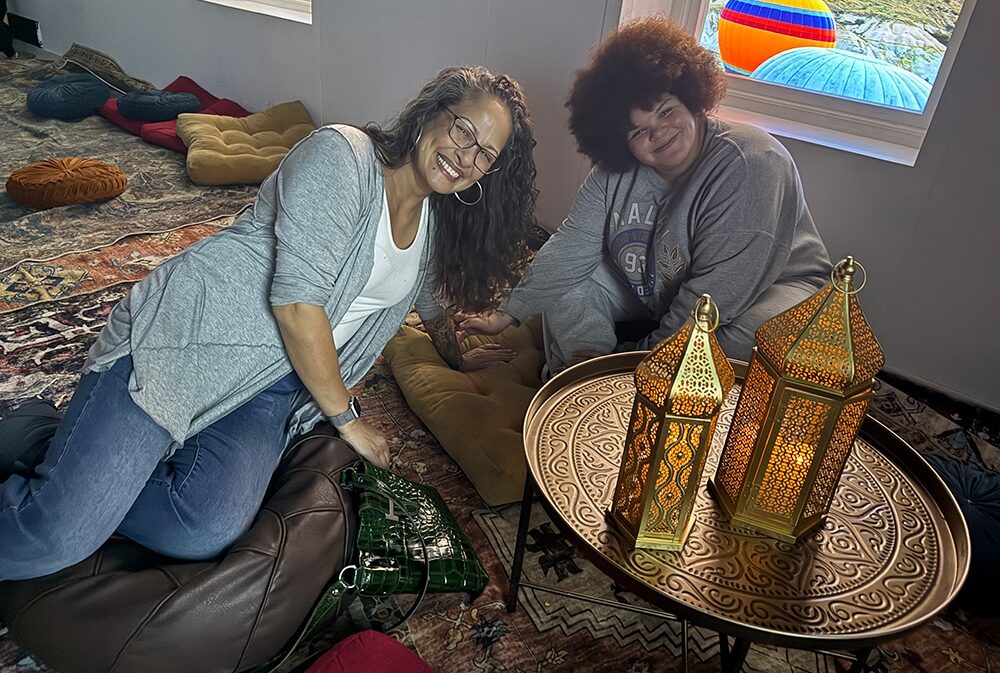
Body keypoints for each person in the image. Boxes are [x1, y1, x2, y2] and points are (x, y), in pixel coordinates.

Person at [0, 66, 538, 581]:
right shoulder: (343, 157)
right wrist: (350, 420)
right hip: (189, 340)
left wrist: (459, 355)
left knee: (204, 526)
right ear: (432, 112)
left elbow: (428, 303)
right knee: (58, 536)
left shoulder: (433, 221)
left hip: (272, 386)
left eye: (484, 153)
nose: (465, 156)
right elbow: (297, 304)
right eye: (462, 130)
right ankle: (75, 482)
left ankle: (51, 443)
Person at [459, 15, 831, 374]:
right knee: (569, 286)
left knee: (735, 343)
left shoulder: (752, 162)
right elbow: (572, 246)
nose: (658, 133)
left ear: (692, 98)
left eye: (666, 111)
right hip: (659, 285)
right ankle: (583, 375)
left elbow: (713, 298)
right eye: (637, 131)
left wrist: (636, 364)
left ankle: (612, 377)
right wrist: (507, 311)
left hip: (770, 290)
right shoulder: (612, 173)